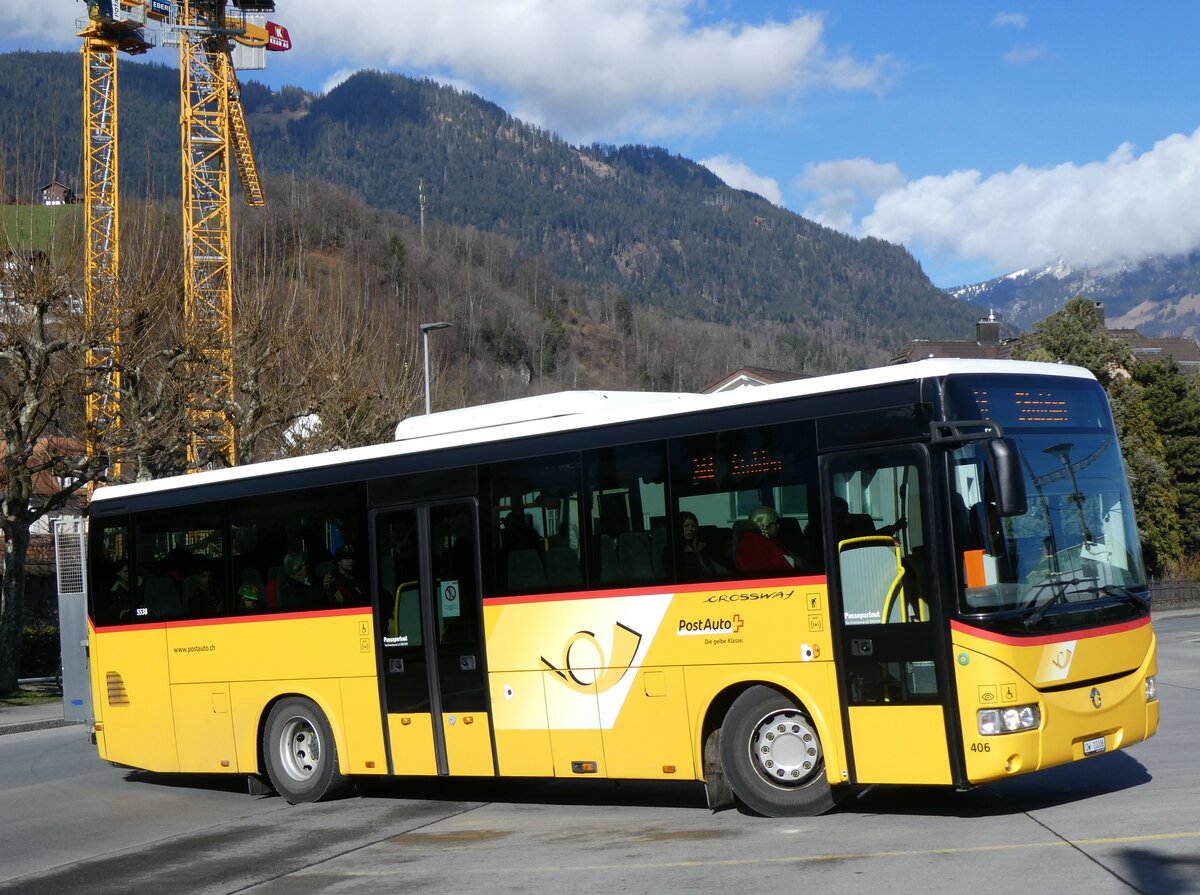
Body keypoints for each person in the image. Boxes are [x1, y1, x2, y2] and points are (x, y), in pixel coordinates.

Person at [735, 506, 801, 573]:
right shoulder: (753, 547)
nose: (778, 526)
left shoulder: (765, 544)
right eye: (775, 523)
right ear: (765, 524)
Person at [675, 511, 728, 579]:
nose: (690, 529)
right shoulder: (674, 552)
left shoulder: (700, 548)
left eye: (693, 526)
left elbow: (716, 567)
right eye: (686, 526)